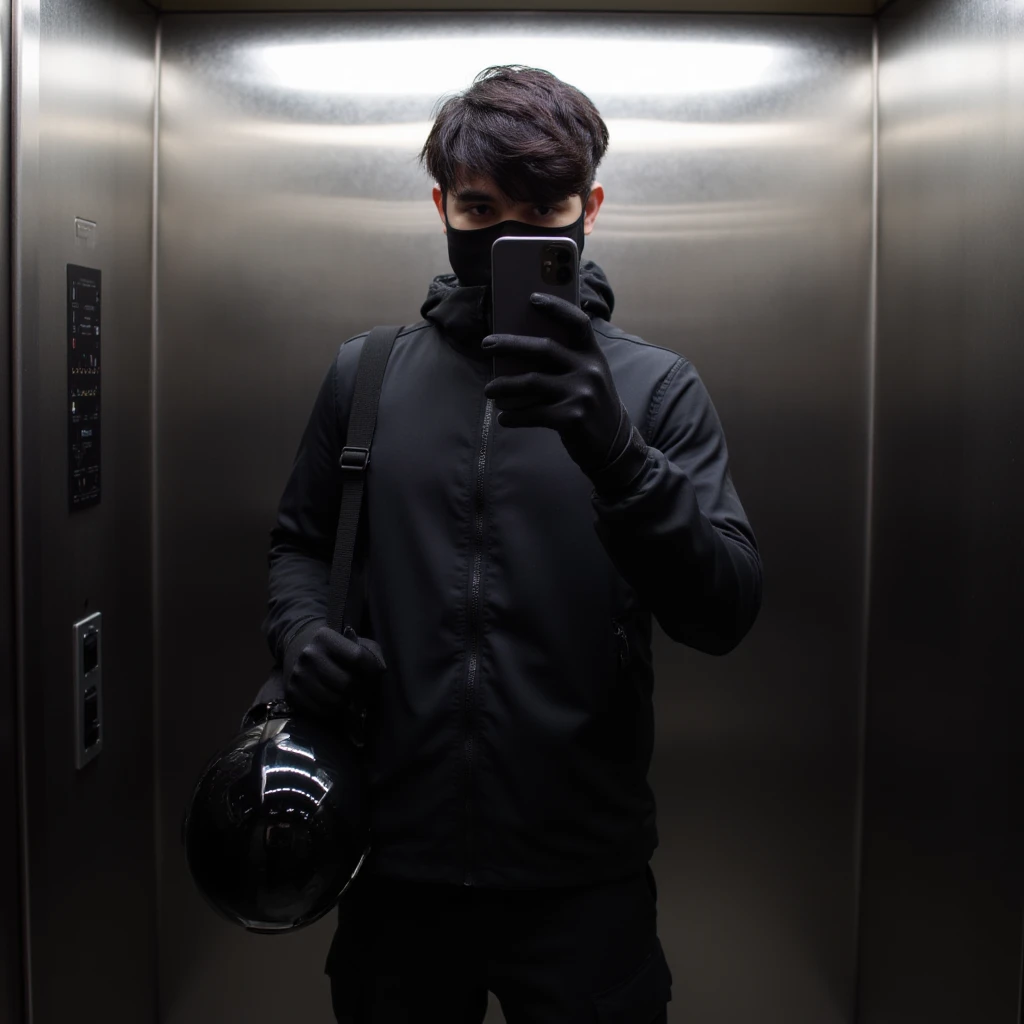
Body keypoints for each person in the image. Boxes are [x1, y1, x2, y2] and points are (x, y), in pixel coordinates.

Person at [261, 64, 762, 1024]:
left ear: (591, 207)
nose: (508, 236)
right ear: (441, 204)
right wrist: (300, 635)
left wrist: (617, 455)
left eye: (544, 206)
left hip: (584, 876)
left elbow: (725, 607)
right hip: (391, 863)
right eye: (482, 207)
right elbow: (298, 545)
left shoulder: (655, 392)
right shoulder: (364, 376)